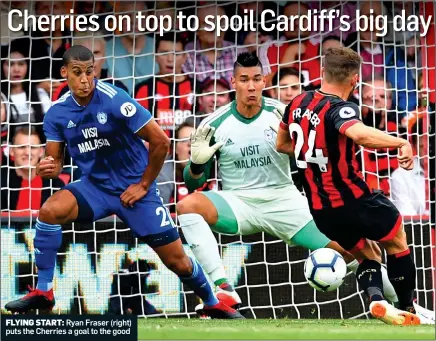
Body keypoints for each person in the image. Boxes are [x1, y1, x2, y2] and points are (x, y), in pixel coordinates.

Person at [4, 45, 242, 320]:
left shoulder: (115, 99)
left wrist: (143, 185)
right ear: (64, 72)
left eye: (90, 72)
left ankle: (212, 301)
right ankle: (44, 291)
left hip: (135, 190)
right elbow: (55, 161)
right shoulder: (57, 113)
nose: (85, 80)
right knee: (49, 211)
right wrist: (47, 166)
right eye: (77, 73)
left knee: (176, 260)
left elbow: (161, 142)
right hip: (94, 188)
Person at [176, 52, 398, 315]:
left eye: (256, 79)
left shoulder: (283, 112)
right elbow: (192, 182)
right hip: (238, 202)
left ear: (264, 82)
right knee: (187, 205)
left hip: (284, 200)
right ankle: (224, 289)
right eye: (244, 79)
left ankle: (403, 304)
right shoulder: (214, 123)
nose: (251, 86)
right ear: (233, 82)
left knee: (356, 251)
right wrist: (197, 164)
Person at [276, 47, 432, 325]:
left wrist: (312, 159)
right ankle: (409, 307)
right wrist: (401, 142)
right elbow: (359, 134)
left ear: (323, 72)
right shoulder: (341, 107)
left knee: (367, 254)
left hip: (320, 208)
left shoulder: (298, 101)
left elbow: (282, 144)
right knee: (396, 239)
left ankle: (376, 300)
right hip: (353, 197)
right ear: (355, 80)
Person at [1, 127, 65, 211]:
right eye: (21, 147)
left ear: (41, 151)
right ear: (11, 151)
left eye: (33, 147)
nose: (27, 152)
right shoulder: (1, 182)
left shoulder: (55, 184)